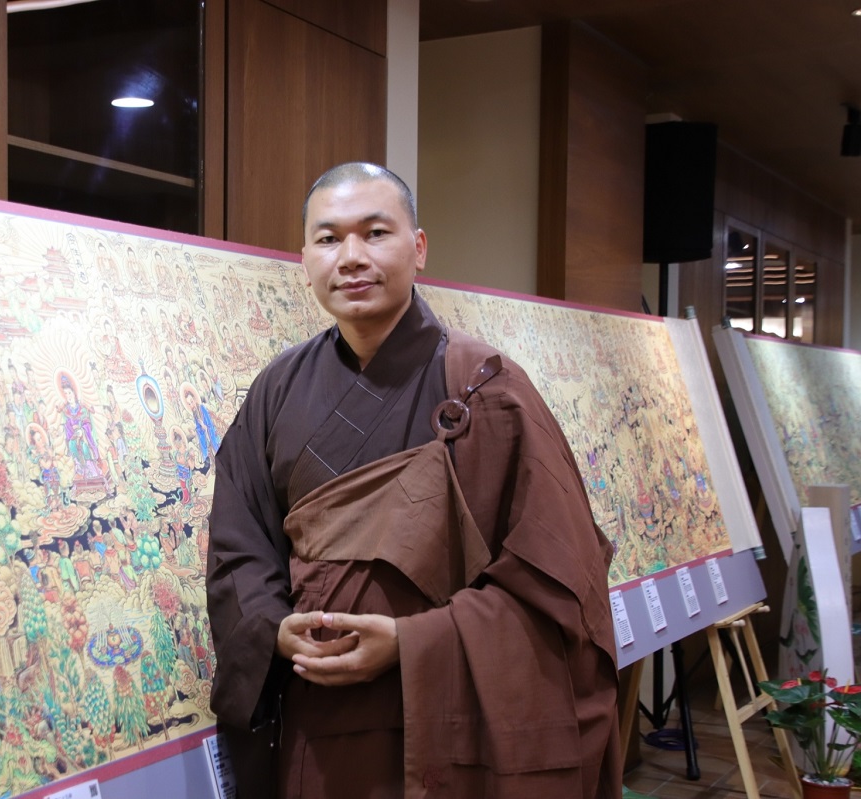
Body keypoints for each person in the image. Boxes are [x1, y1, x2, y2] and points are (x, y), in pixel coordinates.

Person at [206, 163, 620, 798]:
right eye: (328, 239)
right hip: (317, 718)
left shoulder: (486, 390)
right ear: (305, 258)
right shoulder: (276, 391)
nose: (351, 257)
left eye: (375, 233)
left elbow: (557, 583)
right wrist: (271, 627)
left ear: (419, 247)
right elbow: (240, 544)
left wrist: (413, 642)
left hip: (443, 722)